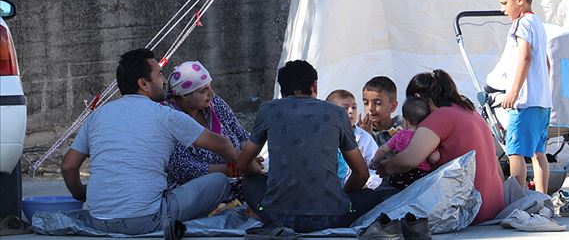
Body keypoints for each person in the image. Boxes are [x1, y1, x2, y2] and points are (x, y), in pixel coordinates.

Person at [61, 49, 238, 236]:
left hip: (98, 220)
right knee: (219, 181)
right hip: (146, 220)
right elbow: (223, 145)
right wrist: (238, 164)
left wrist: (81, 194)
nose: (164, 81)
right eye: (160, 75)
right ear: (143, 83)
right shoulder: (166, 115)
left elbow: (68, 166)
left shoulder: (97, 116)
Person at [238, 61, 393, 233]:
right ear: (314, 86)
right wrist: (343, 196)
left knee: (250, 183)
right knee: (371, 195)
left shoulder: (268, 110)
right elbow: (361, 173)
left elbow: (242, 165)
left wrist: (262, 176)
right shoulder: (337, 114)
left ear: (282, 91)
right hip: (333, 217)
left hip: (277, 216)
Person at [377, 70, 505, 224]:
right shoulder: (471, 113)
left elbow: (408, 160)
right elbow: (497, 168)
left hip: (468, 211)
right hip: (494, 206)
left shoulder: (439, 117)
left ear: (417, 98)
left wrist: (384, 167)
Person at [491, 0, 552, 193]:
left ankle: (517, 200)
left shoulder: (521, 24)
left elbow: (525, 57)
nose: (503, 10)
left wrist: (513, 92)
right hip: (542, 101)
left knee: (515, 152)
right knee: (538, 153)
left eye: (504, 3)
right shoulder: (538, 23)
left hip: (524, 102)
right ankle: (542, 198)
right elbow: (546, 63)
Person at [165, 61, 262, 198]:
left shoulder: (214, 104)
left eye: (210, 87)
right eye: (203, 90)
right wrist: (238, 168)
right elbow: (184, 169)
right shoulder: (170, 118)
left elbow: (241, 135)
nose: (211, 94)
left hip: (236, 176)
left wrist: (249, 157)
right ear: (184, 96)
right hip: (195, 191)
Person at [371, 97, 441, 189]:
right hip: (420, 177)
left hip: (399, 176)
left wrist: (375, 162)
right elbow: (434, 158)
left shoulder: (400, 135)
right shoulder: (426, 137)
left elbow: (383, 149)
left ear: (405, 121)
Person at [325, 89, 382, 189]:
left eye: (354, 107)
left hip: (358, 189)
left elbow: (376, 168)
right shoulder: (324, 136)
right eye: (345, 108)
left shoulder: (364, 138)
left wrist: (366, 184)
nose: (351, 111)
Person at [359, 76, 404, 146]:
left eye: (377, 103)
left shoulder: (403, 127)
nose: (370, 108)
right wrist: (365, 136)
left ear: (393, 106)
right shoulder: (359, 130)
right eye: (366, 103)